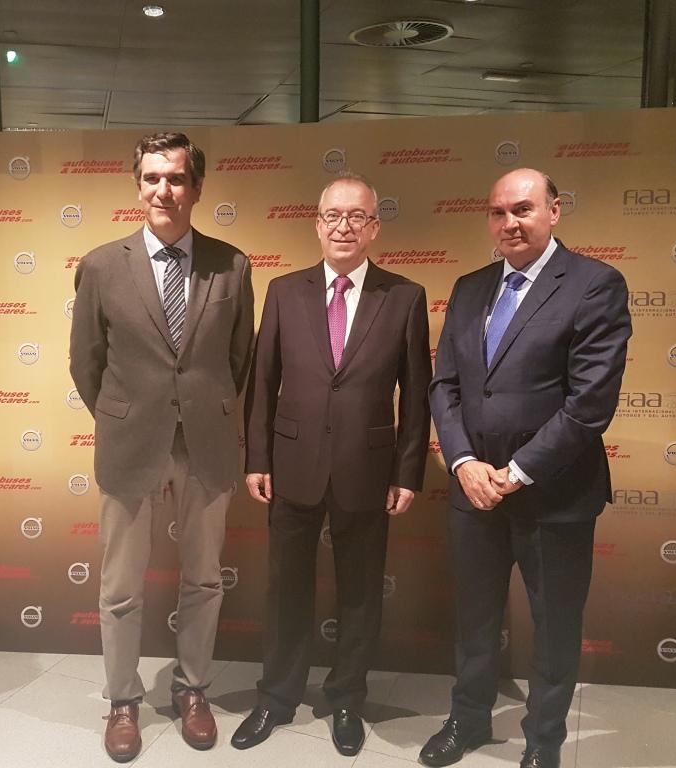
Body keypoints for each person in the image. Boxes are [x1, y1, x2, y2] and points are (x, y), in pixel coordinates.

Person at [424, 168, 631, 768]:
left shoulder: (594, 284)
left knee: (555, 627)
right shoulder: (470, 287)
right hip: (473, 492)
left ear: (554, 211)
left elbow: (589, 404)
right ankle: (468, 720)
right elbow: (445, 386)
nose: (509, 223)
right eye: (498, 212)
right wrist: (464, 463)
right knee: (475, 620)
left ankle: (544, 741)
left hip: (555, 495)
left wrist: (515, 473)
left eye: (522, 209)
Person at [69, 132, 254, 761]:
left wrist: (202, 408)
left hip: (207, 444)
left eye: (175, 178)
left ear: (196, 188)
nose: (163, 190)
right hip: (130, 445)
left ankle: (193, 689)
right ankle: (123, 700)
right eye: (152, 178)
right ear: (138, 185)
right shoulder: (101, 266)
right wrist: (125, 416)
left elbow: (240, 358)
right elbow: (86, 361)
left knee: (203, 579)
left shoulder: (232, 265)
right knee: (120, 586)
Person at [233, 173, 431, 757]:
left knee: (361, 593)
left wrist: (407, 471)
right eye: (333, 216)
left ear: (374, 227)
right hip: (291, 464)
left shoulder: (405, 296)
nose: (344, 226)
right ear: (317, 224)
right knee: (285, 590)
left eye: (357, 216)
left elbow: (416, 394)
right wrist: (257, 458)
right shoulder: (283, 291)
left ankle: (347, 699)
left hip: (367, 468)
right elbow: (262, 382)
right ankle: (276, 697)